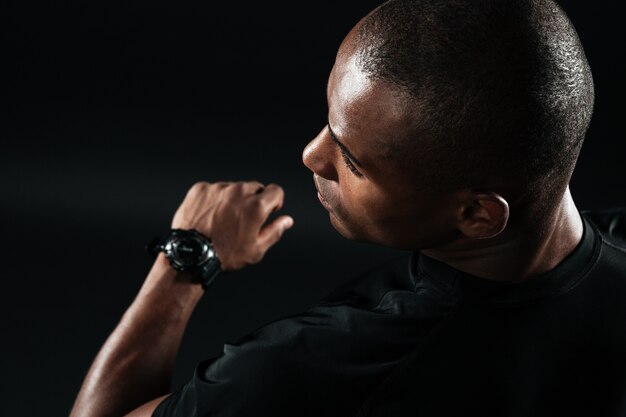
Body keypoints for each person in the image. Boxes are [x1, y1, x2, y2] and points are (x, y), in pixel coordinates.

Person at [69, 0, 626, 416]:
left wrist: (187, 257)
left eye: (354, 161)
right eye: (330, 123)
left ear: (479, 215)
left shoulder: (312, 369)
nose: (312, 155)